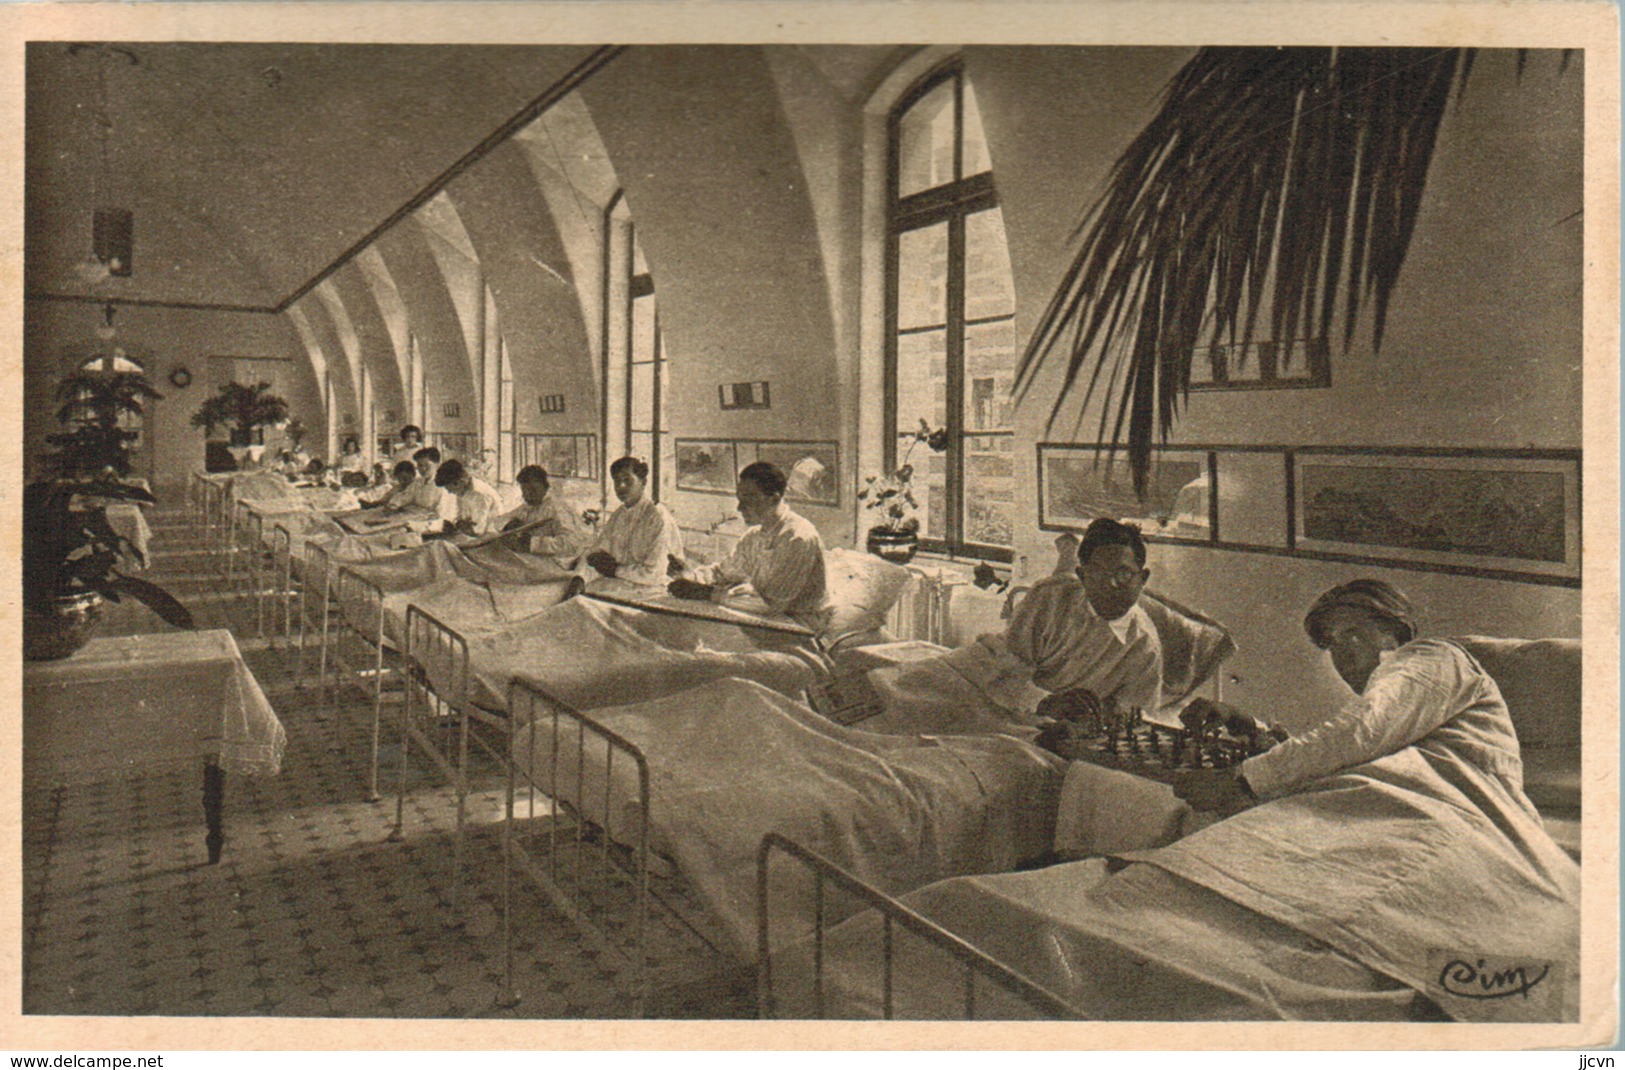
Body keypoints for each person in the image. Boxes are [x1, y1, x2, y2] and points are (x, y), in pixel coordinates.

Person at [865, 517, 1163, 736]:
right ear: (1082, 577)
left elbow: (1132, 722)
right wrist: (1044, 701)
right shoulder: (1051, 596)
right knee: (890, 694)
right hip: (986, 673)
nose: (1112, 586)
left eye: (1124, 575)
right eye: (1099, 575)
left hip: (1035, 721)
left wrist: (1073, 719)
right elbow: (1005, 665)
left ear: (1143, 578)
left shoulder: (1144, 649)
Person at [670, 461, 829, 626]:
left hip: (799, 624)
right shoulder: (753, 536)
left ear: (773, 498)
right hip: (766, 619)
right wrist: (688, 575)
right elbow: (723, 574)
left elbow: (772, 605)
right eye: (739, 499)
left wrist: (708, 593)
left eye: (748, 499)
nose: (739, 508)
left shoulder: (798, 538)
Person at [582, 456, 685, 588]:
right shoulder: (618, 515)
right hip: (618, 586)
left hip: (654, 590)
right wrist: (580, 578)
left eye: (627, 480)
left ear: (643, 482)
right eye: (616, 481)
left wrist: (615, 570)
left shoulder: (657, 517)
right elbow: (597, 553)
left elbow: (655, 574)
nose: (621, 486)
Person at [494, 464, 588, 564]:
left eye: (533, 490)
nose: (527, 495)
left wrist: (532, 543)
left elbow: (570, 544)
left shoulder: (557, 509)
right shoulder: (530, 506)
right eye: (524, 490)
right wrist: (509, 524)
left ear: (545, 487)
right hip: (534, 559)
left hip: (556, 563)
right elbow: (499, 521)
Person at [434, 457, 502, 536]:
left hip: (487, 537)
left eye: (449, 488)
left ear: (460, 482)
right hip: (470, 533)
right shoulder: (462, 489)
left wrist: (459, 525)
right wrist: (454, 523)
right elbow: (459, 517)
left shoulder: (479, 494)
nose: (449, 492)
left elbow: (478, 531)